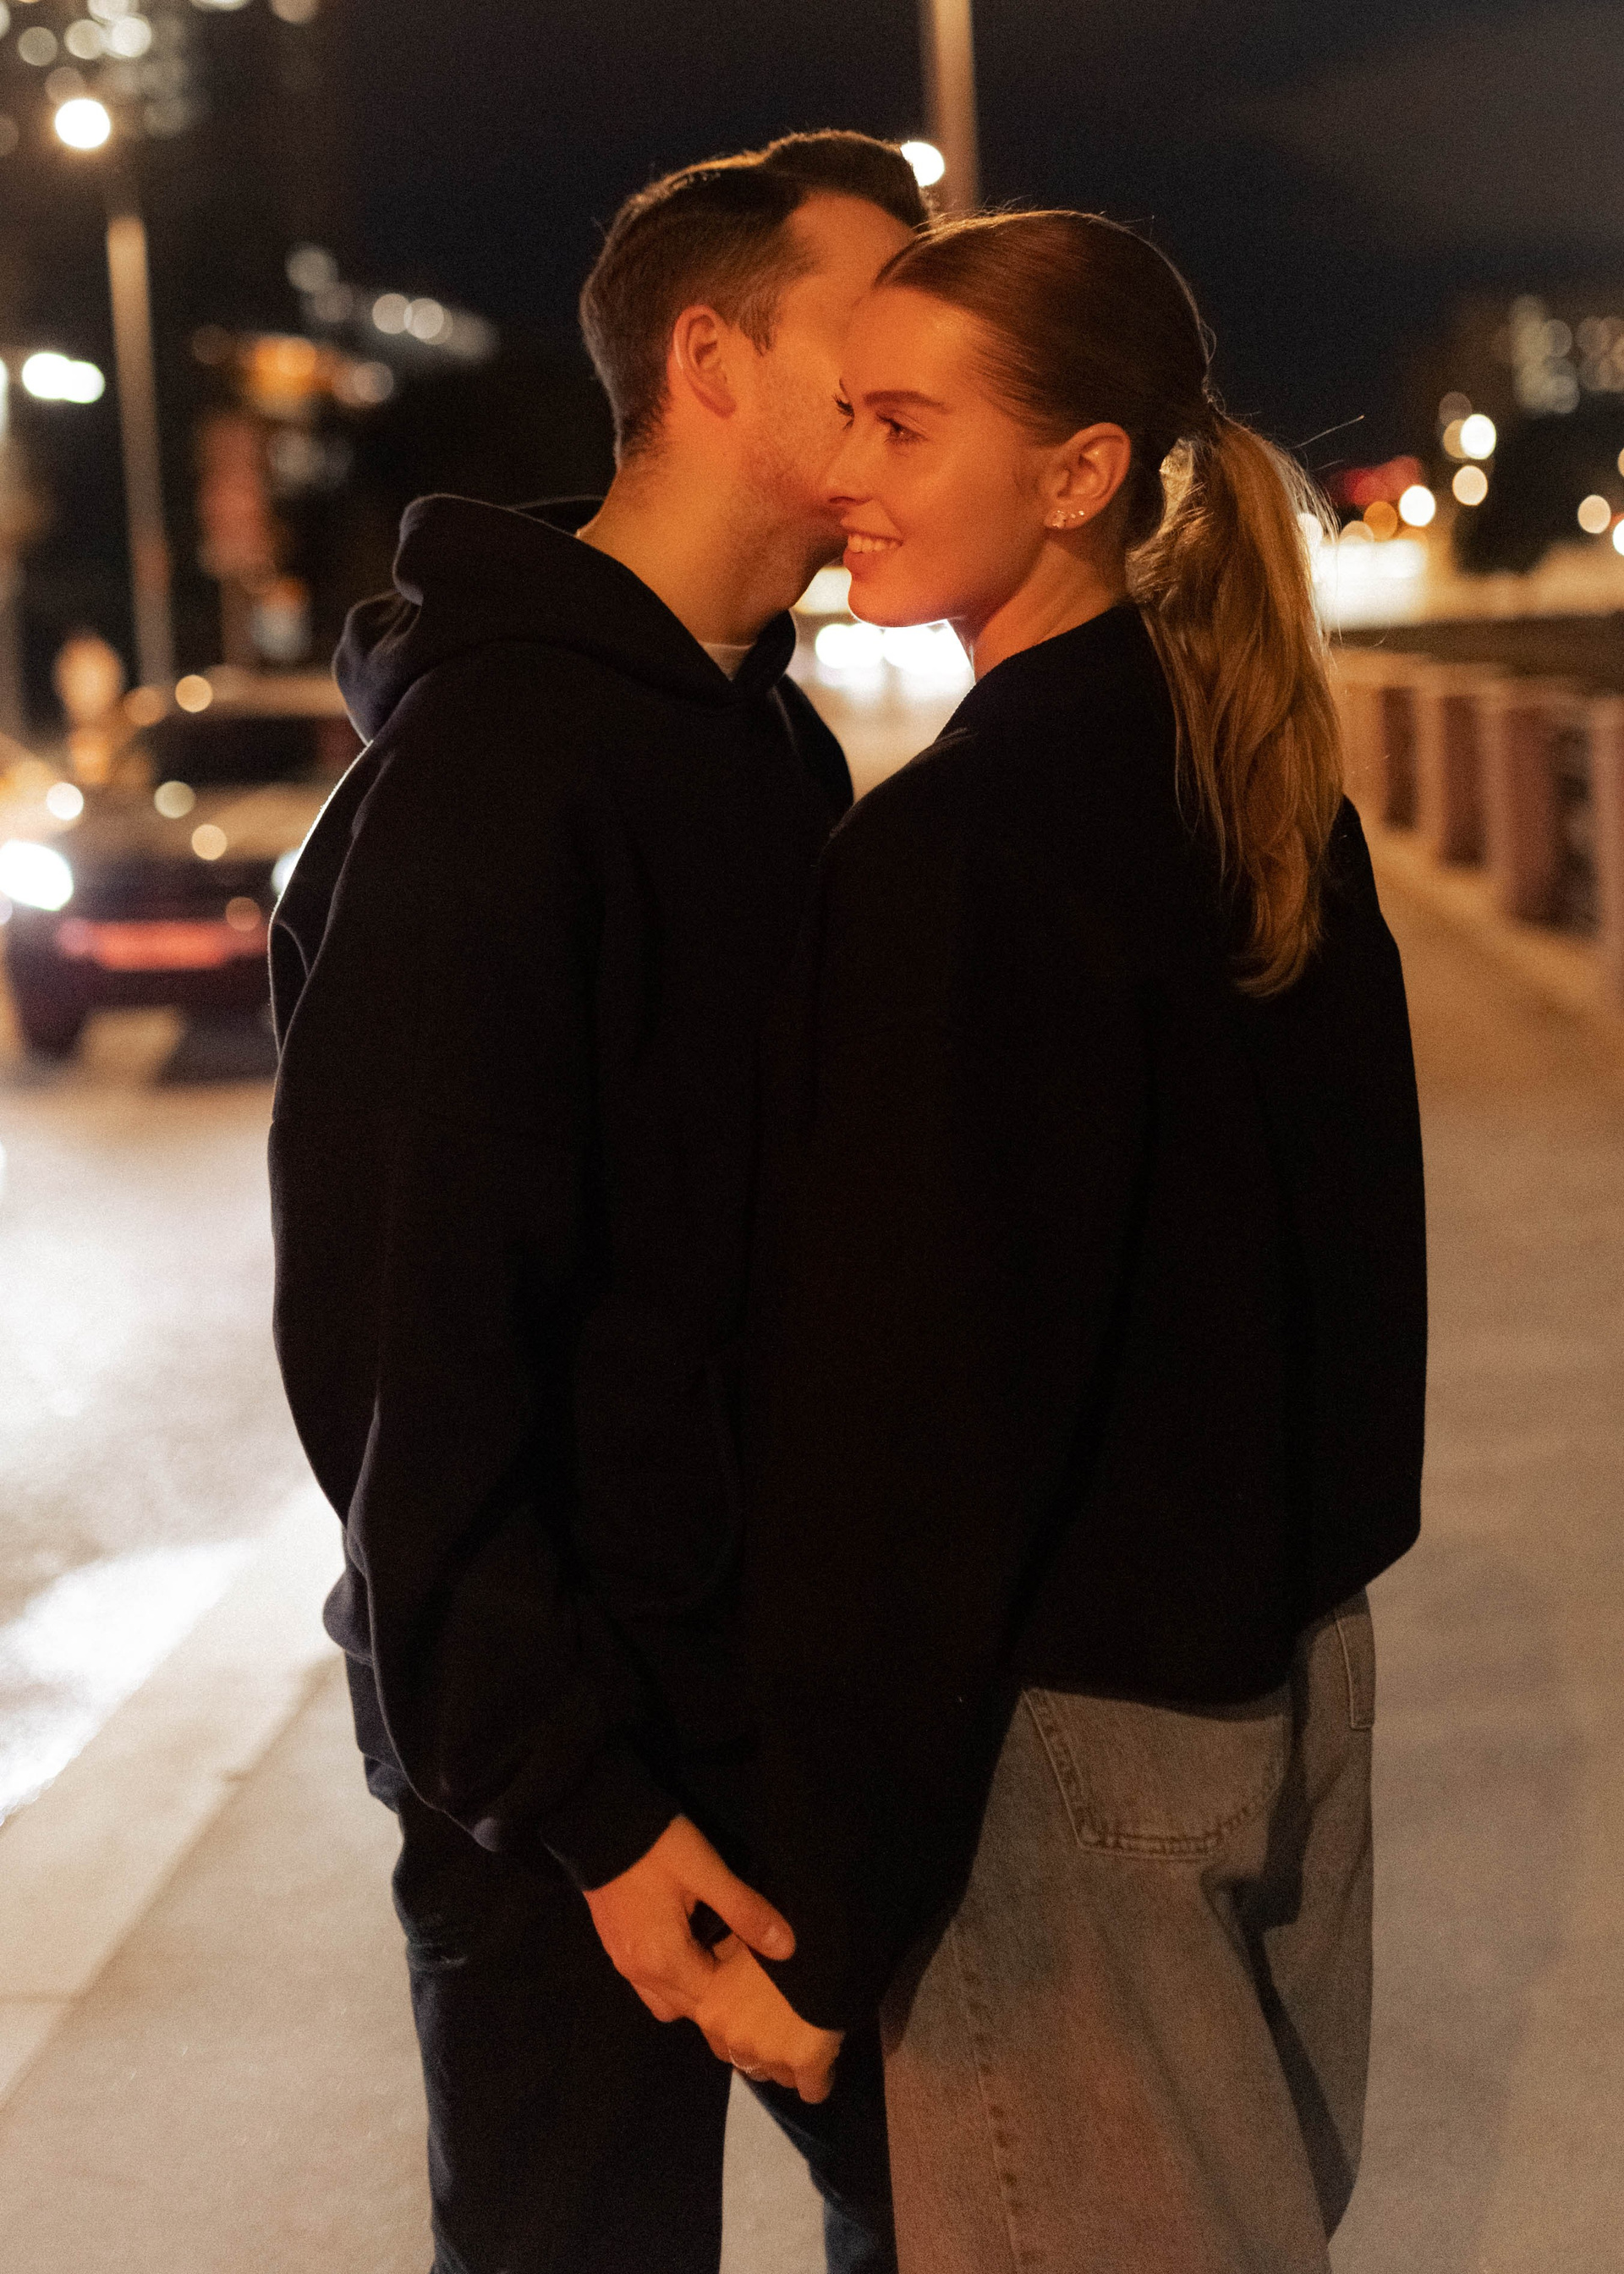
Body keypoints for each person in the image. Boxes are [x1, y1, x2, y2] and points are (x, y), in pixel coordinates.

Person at [719, 211, 1429, 2270]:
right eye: (849, 415)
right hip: (1283, 1685)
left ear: (1079, 471)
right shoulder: (1258, 784)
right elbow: (1360, 1290)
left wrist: (825, 1908)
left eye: (904, 425)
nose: (846, 472)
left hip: (1064, 1758)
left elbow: (914, 1424)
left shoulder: (956, 851)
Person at [267, 132, 926, 2274]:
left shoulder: (760, 748)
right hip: (562, 1793)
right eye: (874, 338)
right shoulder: (489, 781)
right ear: (712, 361)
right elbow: (401, 1358)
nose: (913, 388)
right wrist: (586, 1810)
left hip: (771, 1713)